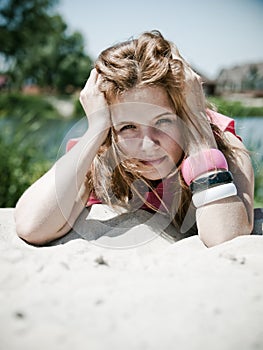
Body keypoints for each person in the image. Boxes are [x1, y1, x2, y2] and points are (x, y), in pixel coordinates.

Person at [15, 30, 254, 247]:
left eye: (163, 121)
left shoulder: (220, 143)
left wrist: (198, 132)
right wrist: (96, 127)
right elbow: (32, 226)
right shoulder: (104, 151)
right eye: (128, 127)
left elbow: (226, 237)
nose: (148, 144)